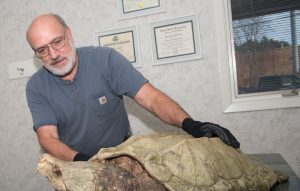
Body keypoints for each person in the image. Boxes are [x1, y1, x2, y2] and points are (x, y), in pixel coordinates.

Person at [26, 14, 240, 162]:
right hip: (73, 163)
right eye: (42, 50)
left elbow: (150, 98)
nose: (53, 55)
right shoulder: (36, 86)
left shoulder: (106, 60)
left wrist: (190, 124)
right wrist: (82, 161)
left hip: (122, 157)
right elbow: (48, 138)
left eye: (57, 42)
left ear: (69, 34)